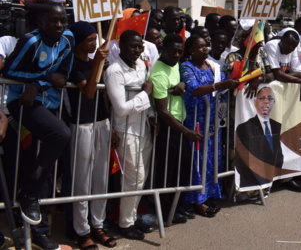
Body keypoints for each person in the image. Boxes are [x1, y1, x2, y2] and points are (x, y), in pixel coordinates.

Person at [3, 0, 74, 250]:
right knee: (57, 138)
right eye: (53, 20)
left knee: (45, 171)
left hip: (49, 105)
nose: (59, 25)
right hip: (22, 106)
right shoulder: (31, 41)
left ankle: (41, 232)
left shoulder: (68, 39)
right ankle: (27, 198)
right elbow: (10, 72)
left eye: (63, 20)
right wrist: (40, 79)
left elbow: (62, 75)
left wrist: (41, 84)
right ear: (40, 21)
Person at [67, 21, 116, 249]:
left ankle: (98, 225)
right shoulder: (72, 63)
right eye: (89, 40)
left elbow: (103, 97)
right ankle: (82, 230)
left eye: (95, 39)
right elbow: (88, 93)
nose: (94, 43)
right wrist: (97, 62)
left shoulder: (100, 62)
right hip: (82, 125)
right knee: (82, 180)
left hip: (102, 123)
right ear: (77, 42)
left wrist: (111, 125)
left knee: (100, 179)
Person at [104, 30, 155, 241]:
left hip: (143, 128)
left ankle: (131, 218)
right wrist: (145, 94)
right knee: (134, 178)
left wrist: (151, 115)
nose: (137, 51)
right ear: (121, 46)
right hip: (125, 130)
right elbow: (121, 108)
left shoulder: (142, 66)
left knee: (139, 179)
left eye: (140, 47)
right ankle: (125, 223)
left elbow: (145, 100)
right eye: (133, 46)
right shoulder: (114, 71)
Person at [180, 35, 238, 216]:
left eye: (206, 46)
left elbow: (221, 87)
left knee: (212, 158)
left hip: (213, 120)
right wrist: (220, 84)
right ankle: (197, 200)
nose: (205, 49)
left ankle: (211, 193)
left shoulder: (213, 66)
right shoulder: (187, 67)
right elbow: (194, 89)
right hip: (196, 120)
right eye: (200, 46)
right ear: (190, 50)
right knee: (198, 160)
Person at [151, 34, 202, 223]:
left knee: (183, 169)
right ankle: (163, 214)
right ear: (163, 49)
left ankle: (175, 207)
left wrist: (183, 83)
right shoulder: (158, 73)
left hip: (180, 124)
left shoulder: (176, 65)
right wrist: (185, 131)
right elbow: (162, 111)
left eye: (180, 51)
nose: (177, 54)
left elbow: (185, 81)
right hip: (168, 127)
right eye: (173, 50)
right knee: (167, 173)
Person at [235, 85, 284, 188]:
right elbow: (241, 162)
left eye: (270, 99)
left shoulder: (277, 126)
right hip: (251, 182)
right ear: (255, 102)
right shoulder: (244, 127)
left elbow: (279, 157)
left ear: (274, 103)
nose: (266, 102)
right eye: (262, 98)